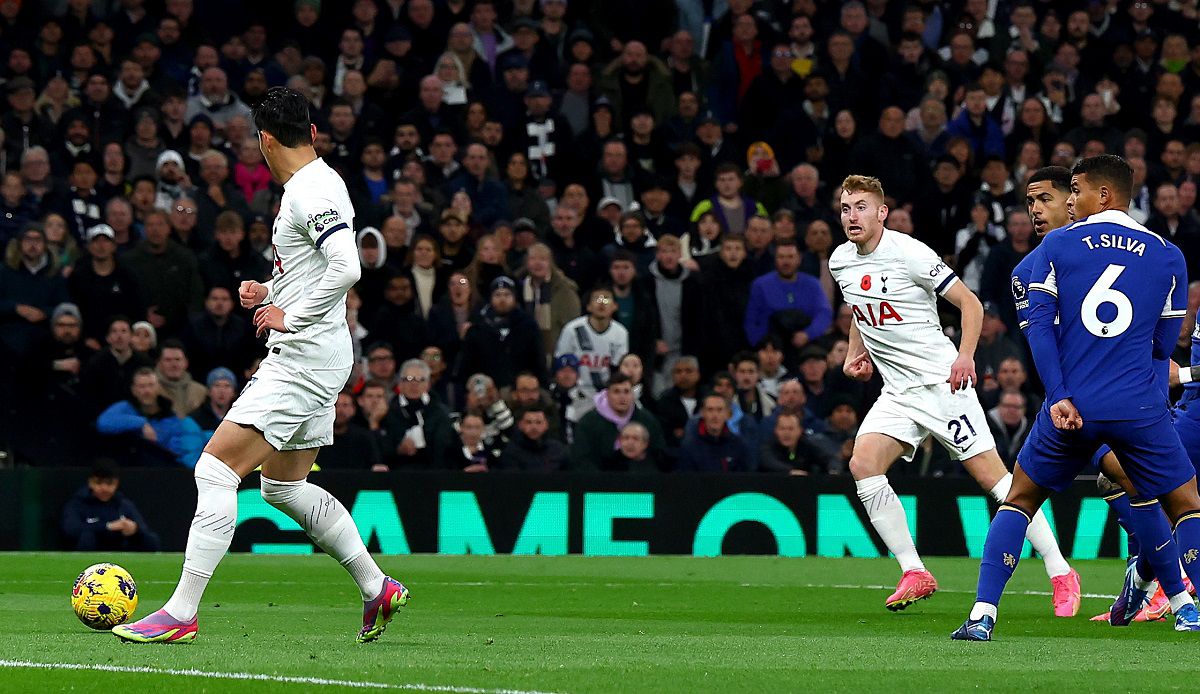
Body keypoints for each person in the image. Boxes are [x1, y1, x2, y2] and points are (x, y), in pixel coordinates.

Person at [113, 88, 407, 646]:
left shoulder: (310, 189)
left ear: (266, 140)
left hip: (304, 354)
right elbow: (318, 264)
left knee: (216, 469)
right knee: (283, 486)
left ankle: (181, 612)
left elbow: (347, 268)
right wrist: (268, 288)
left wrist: (288, 316)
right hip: (324, 352)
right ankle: (376, 586)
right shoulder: (318, 184)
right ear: (313, 132)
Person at [955, 155, 1200, 640]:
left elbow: (1041, 334)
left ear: (1100, 195)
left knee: (1020, 500)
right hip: (1137, 408)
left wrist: (1060, 395)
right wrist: (1148, 402)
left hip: (1070, 406)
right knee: (1184, 504)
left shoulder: (1046, 255)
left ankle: (983, 614)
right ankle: (1188, 607)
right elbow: (1161, 345)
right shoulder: (1168, 254)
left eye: (1069, 193)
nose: (1065, 202)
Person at [829, 174, 1077, 614]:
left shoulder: (910, 253)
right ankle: (914, 571)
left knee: (999, 483)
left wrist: (965, 356)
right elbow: (859, 308)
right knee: (862, 463)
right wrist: (855, 351)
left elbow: (971, 304)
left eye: (862, 207)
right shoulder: (841, 261)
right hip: (898, 390)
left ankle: (1060, 570)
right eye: (847, 208)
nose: (853, 216)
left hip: (943, 384)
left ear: (881, 212)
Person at [96, 367, 205, 468]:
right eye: (142, 386)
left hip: (159, 471)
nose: (147, 391)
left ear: (158, 388)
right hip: (127, 468)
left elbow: (175, 450)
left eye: (150, 385)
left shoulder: (170, 416)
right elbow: (103, 422)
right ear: (134, 390)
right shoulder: (125, 407)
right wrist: (141, 423)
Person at [743, 238, 832, 352]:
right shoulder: (760, 285)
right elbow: (751, 321)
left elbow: (824, 314)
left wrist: (807, 334)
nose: (786, 262)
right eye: (781, 257)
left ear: (799, 259)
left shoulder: (812, 284)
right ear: (775, 259)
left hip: (806, 347)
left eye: (790, 257)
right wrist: (762, 347)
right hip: (771, 348)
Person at [555, 286, 630, 417]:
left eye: (606, 299)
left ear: (615, 306)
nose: (601, 302)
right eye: (597, 299)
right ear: (588, 306)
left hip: (606, 395)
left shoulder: (620, 333)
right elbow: (561, 365)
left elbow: (619, 369)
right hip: (577, 394)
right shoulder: (572, 329)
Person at [569, 373, 665, 471]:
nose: (622, 397)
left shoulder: (647, 420)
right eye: (616, 392)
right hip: (598, 481)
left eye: (626, 392)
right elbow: (581, 458)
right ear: (607, 394)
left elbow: (659, 452)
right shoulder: (589, 422)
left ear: (632, 394)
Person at [61, 461, 161, 552]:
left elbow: (152, 541)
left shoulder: (124, 505)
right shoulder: (77, 504)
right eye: (98, 482)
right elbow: (70, 529)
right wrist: (107, 526)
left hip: (121, 559)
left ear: (116, 483)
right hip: (89, 561)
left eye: (109, 483)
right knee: (88, 535)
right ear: (90, 482)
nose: (104, 488)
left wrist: (135, 530)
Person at [677, 394, 752, 472]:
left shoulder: (739, 445)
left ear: (727, 414)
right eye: (710, 410)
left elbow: (745, 479)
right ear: (702, 413)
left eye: (719, 410)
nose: (715, 415)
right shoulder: (689, 447)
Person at [500, 406, 568, 471]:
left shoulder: (558, 450)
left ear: (547, 425)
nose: (534, 427)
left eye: (538, 422)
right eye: (528, 422)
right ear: (520, 425)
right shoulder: (511, 451)